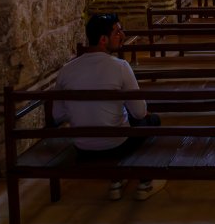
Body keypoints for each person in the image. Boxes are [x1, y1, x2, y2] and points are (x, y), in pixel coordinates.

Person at [52, 14, 165, 201]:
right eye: (117, 31)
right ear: (103, 39)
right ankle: (146, 181)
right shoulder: (120, 67)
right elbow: (139, 112)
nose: (122, 34)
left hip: (83, 148)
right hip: (116, 146)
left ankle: (116, 180)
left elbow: (59, 115)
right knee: (152, 121)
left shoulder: (66, 70)